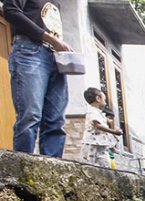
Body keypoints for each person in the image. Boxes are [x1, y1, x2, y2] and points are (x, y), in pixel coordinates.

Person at [3, 0, 73, 157]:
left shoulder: (56, 4)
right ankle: (22, 170)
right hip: (29, 51)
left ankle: (53, 170)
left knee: (56, 120)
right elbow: (10, 10)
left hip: (56, 57)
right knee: (30, 116)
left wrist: (59, 44)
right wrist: (52, 39)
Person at [80, 87, 123, 168]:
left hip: (100, 145)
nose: (106, 103)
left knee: (106, 165)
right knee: (89, 166)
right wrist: (114, 132)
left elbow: (103, 131)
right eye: (105, 99)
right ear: (98, 98)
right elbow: (98, 126)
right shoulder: (92, 111)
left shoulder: (98, 113)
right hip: (92, 144)